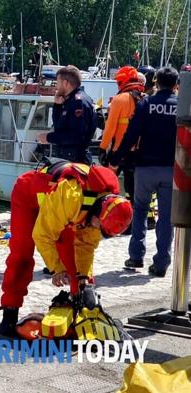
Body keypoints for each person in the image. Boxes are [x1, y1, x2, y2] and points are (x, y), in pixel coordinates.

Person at [0, 161, 133, 336]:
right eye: (98, 226)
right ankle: (9, 314)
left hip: (62, 210)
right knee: (21, 254)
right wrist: (56, 269)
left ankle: (81, 312)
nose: (96, 230)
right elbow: (43, 235)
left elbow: (86, 246)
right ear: (98, 212)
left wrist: (84, 278)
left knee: (76, 270)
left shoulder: (106, 207)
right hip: (27, 196)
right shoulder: (71, 196)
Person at [109, 67, 179, 277]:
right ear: (176, 85)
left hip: (145, 167)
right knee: (166, 217)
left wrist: (116, 158)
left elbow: (131, 134)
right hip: (171, 169)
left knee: (139, 210)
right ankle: (161, 263)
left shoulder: (146, 103)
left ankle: (136, 256)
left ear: (155, 82)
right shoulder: (181, 107)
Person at [99, 67, 145, 231]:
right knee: (133, 189)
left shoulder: (119, 100)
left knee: (106, 187)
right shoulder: (144, 99)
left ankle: (104, 220)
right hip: (138, 152)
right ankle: (133, 223)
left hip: (118, 151)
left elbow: (110, 128)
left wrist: (103, 147)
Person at [37, 65, 96, 164]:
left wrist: (48, 137)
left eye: (58, 82)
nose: (56, 87)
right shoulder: (72, 100)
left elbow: (75, 136)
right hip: (69, 157)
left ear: (65, 83)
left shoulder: (78, 102)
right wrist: (57, 106)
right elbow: (59, 127)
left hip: (75, 160)